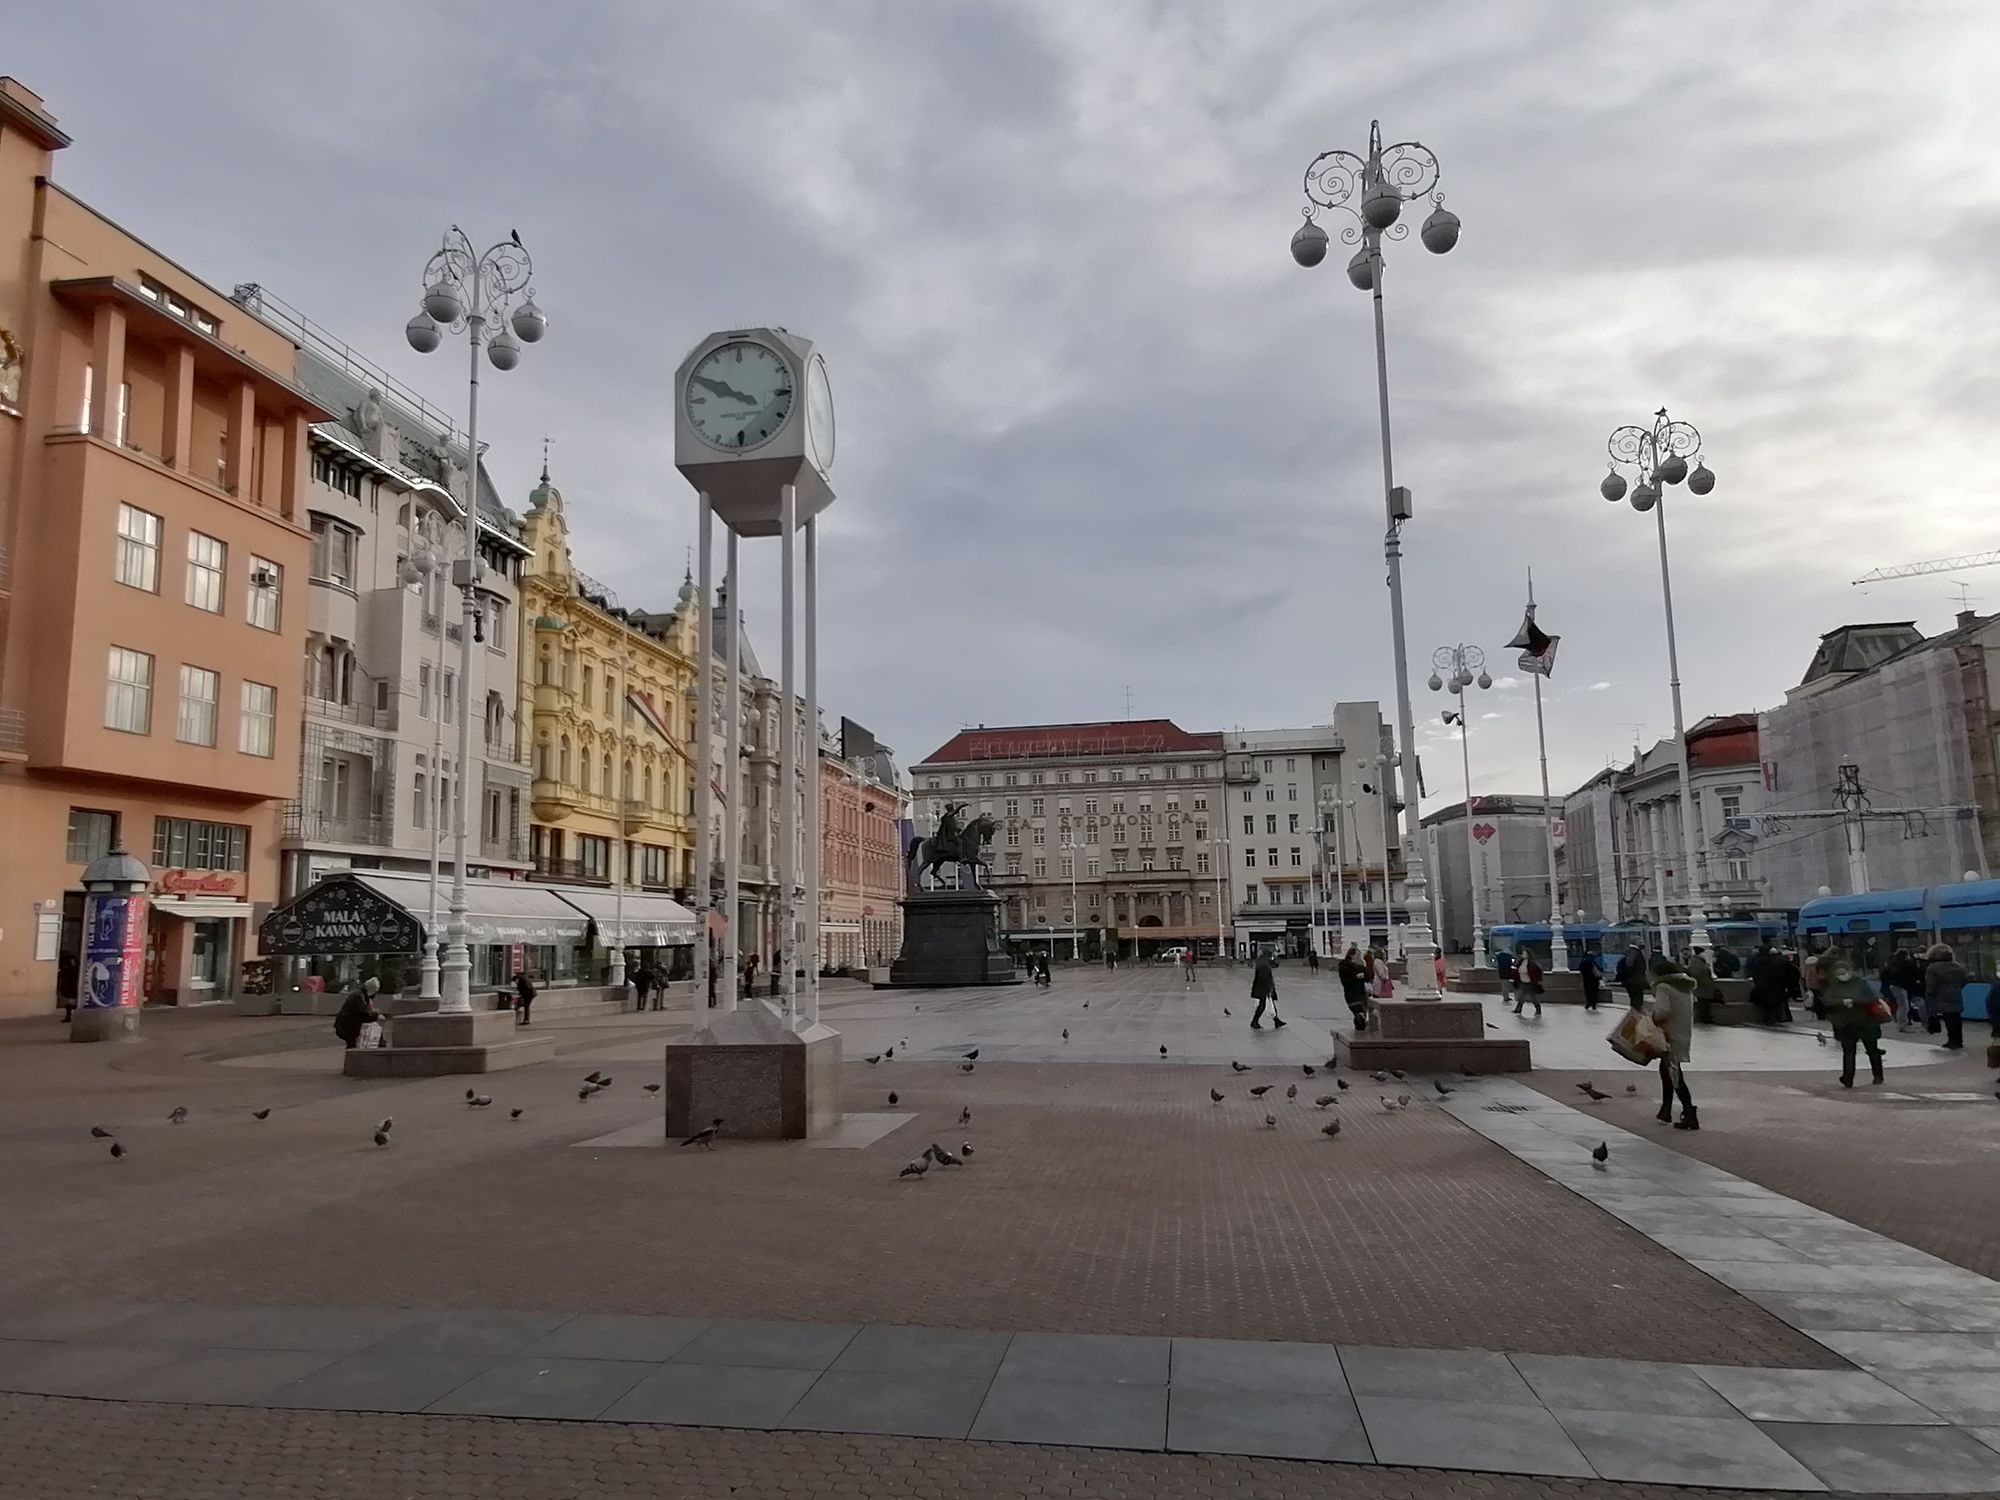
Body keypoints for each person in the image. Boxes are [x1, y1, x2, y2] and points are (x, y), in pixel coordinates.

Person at [1818, 947, 1886, 1087]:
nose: (1842, 975)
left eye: (1844, 972)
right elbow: (1826, 1001)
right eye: (1839, 973)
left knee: (1871, 1050)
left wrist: (1854, 1002)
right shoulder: (1834, 986)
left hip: (1865, 1021)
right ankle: (1848, 1078)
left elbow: (1872, 998)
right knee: (1850, 1052)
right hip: (1847, 1024)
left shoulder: (1860, 982)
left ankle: (1877, 1075)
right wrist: (1842, 1002)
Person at [1646, 954, 1698, 1129]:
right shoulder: (1685, 988)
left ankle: (1690, 1113)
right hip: (1682, 1035)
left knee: (1674, 1076)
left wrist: (1651, 1020)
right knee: (1668, 1073)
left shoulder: (1663, 987)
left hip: (1669, 1036)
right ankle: (1665, 1111)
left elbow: (1662, 1011)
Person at [1924, 942, 1967, 1051]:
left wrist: (1929, 995)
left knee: (1949, 1018)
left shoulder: (1933, 968)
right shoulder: (1958, 967)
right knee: (1956, 1017)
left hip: (1941, 996)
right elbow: (1964, 981)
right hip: (1956, 994)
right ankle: (1958, 1040)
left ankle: (1952, 1041)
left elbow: (1931, 985)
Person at [333, 977, 383, 1051]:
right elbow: (363, 1013)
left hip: (346, 1025)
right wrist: (376, 1015)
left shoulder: (360, 995)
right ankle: (352, 1059)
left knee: (352, 1044)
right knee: (352, 1044)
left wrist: (374, 1013)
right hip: (348, 1026)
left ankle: (352, 1058)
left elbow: (363, 1011)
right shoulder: (359, 996)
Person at [1883, 947, 1924, 1031]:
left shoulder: (1892, 964)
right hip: (1904, 986)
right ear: (1907, 955)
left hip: (1895, 986)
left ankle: (1903, 1022)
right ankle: (1903, 1024)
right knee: (1905, 1006)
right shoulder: (1910, 964)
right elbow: (1918, 974)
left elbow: (1884, 976)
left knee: (1903, 1005)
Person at [1338, 944, 1370, 1032]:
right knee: (1360, 1014)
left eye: (1360, 955)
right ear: (1351, 955)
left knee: (1362, 1014)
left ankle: (1360, 1031)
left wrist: (1363, 966)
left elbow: (1368, 977)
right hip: (1352, 995)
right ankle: (1360, 1030)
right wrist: (1356, 977)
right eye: (1357, 955)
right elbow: (1345, 982)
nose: (1359, 957)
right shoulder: (1344, 967)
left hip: (1362, 994)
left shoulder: (1360, 966)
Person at [1249, 954, 1285, 1029]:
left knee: (1269, 1005)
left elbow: (1274, 966)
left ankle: (1276, 1020)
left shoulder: (1263, 963)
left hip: (1262, 988)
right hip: (1263, 988)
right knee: (1262, 1006)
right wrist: (1268, 989)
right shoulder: (1264, 965)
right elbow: (1264, 979)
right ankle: (1254, 1021)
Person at [1686, 945, 1720, 1025]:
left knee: (1704, 1004)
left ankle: (1705, 1018)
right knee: (1703, 1004)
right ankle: (1705, 1019)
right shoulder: (1697, 962)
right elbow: (1699, 974)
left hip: (1702, 987)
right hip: (1702, 987)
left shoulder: (1697, 961)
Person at [1615, 946, 1648, 1010]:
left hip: (1632, 980)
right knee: (1636, 999)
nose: (1641, 942)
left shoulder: (1632, 953)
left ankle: (1636, 1013)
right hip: (1634, 980)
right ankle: (1636, 1014)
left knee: (1635, 998)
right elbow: (1629, 966)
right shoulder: (1633, 953)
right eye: (1640, 940)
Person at [56, 949, 79, 1024]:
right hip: (69, 987)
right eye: (71, 961)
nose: (72, 962)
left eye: (73, 961)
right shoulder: (68, 968)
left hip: (73, 987)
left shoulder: (76, 969)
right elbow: (63, 976)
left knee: (70, 1003)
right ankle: (68, 1016)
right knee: (69, 1003)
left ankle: (69, 1016)